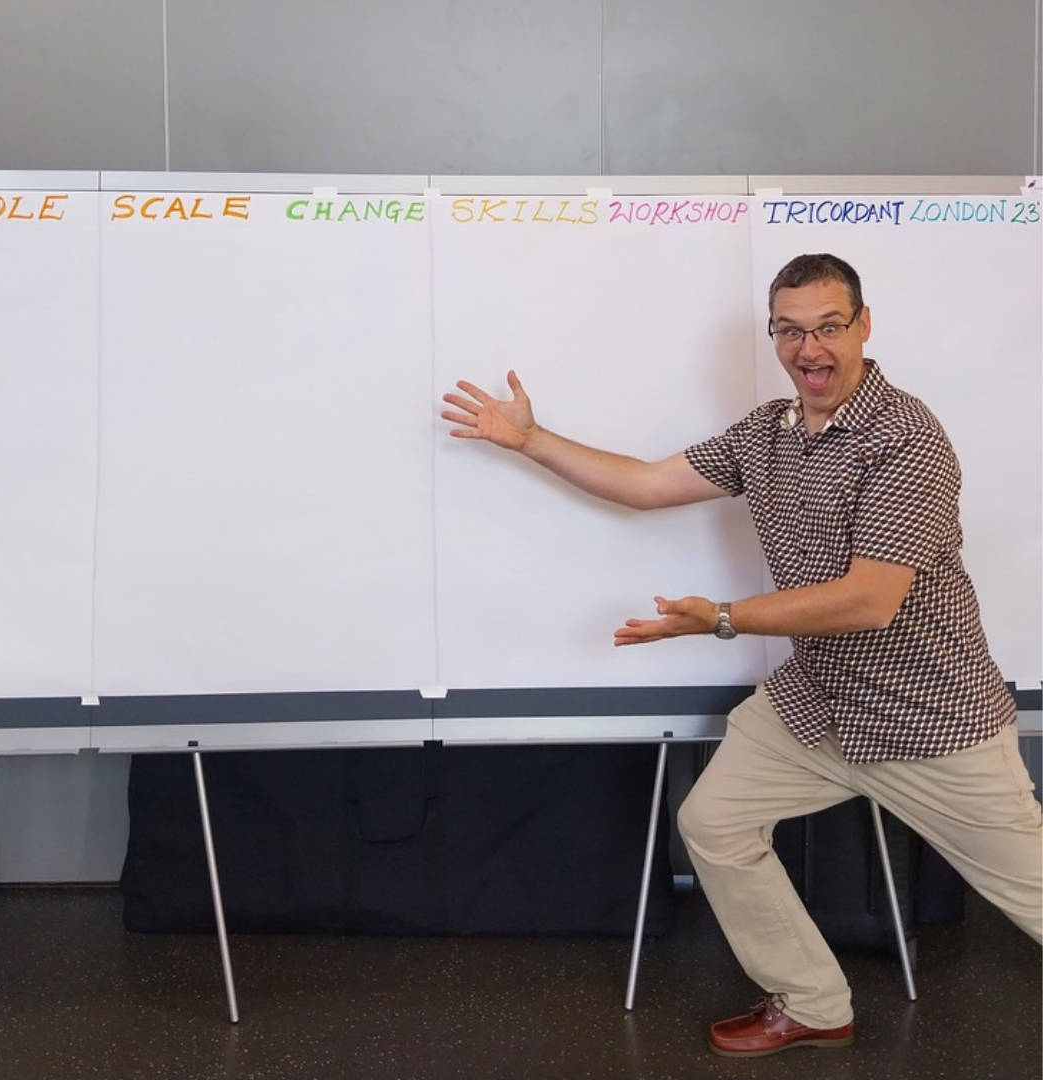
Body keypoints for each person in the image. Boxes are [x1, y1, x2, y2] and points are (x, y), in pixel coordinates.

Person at [440, 252, 1043, 1058]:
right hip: (818, 703)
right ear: (773, 336)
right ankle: (814, 1002)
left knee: (1033, 893)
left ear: (864, 326)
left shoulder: (908, 439)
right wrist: (530, 439)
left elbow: (870, 600)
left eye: (830, 327)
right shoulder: (767, 431)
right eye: (791, 331)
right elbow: (650, 484)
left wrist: (720, 619)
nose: (811, 349)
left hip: (930, 719)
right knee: (714, 822)